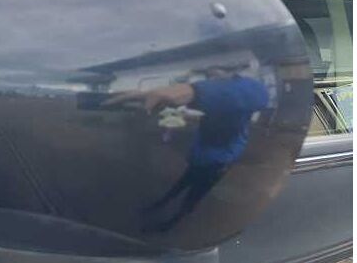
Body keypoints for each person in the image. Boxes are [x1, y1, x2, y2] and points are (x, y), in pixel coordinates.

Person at [105, 71, 269, 230]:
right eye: (210, 79)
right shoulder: (218, 108)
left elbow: (258, 94)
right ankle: (159, 206)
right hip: (200, 159)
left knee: (193, 197)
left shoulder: (239, 104)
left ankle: (171, 224)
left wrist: (194, 91)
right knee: (179, 186)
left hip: (216, 165)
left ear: (232, 77)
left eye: (217, 78)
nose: (212, 80)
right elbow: (205, 115)